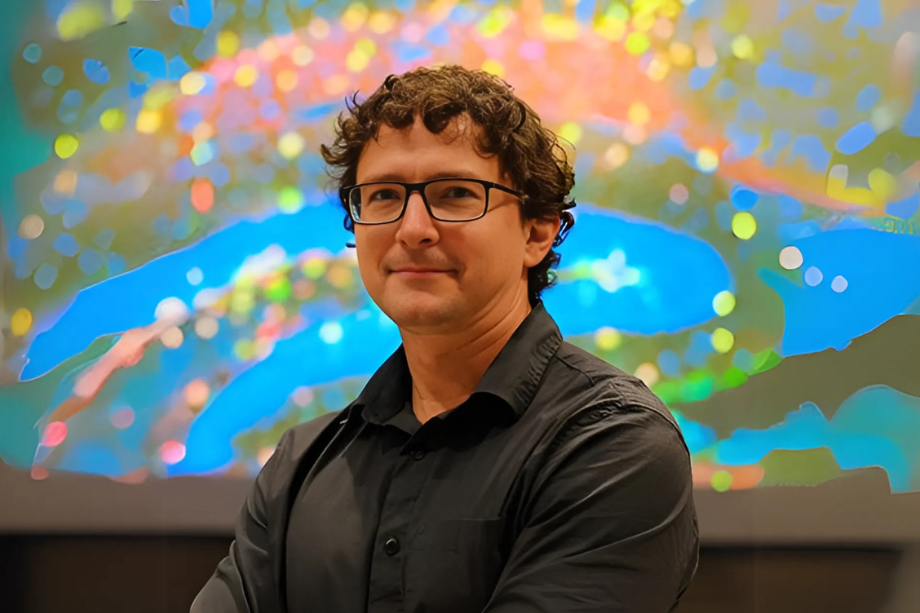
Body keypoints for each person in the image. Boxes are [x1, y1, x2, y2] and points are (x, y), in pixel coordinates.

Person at [192, 64, 698, 613]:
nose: (412, 229)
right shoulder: (303, 463)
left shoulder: (612, 444)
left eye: (455, 193)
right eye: (384, 196)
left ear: (537, 230)